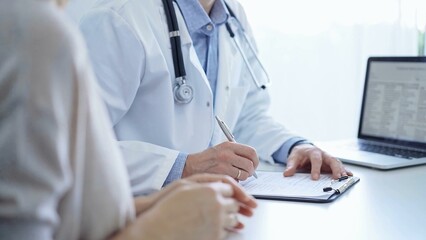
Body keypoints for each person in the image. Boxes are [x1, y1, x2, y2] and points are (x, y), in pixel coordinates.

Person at [0, 0, 257, 239]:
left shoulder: (36, 24)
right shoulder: (36, 31)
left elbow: (63, 212)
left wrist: (159, 204)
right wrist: (161, 225)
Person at [79, 0, 352, 196]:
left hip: (212, 210)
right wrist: (183, 167)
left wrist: (294, 148)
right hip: (135, 214)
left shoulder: (233, 16)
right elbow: (75, 147)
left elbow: (247, 116)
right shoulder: (120, 18)